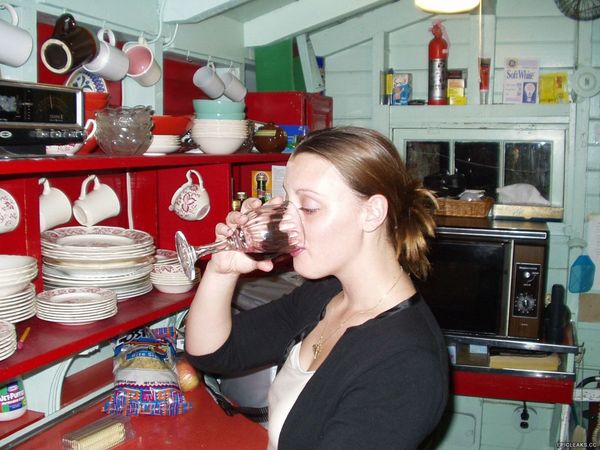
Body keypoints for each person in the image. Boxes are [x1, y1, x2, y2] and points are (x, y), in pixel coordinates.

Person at [185, 126, 449, 449]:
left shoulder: (405, 364)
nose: (285, 224)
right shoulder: (325, 295)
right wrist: (221, 270)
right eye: (287, 202)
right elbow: (212, 353)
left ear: (372, 213)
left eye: (309, 208)